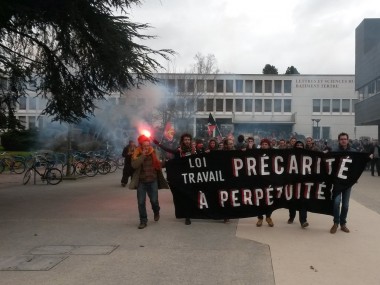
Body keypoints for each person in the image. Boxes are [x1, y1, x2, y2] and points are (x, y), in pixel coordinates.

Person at [153, 133, 196, 225]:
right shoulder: (179, 151)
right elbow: (168, 150)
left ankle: (191, 213)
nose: (187, 141)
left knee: (191, 196)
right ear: (182, 141)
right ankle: (187, 216)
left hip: (192, 177)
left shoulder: (194, 150)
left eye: (188, 139)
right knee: (184, 196)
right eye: (185, 139)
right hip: (181, 177)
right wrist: (158, 143)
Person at [129, 135, 169, 229]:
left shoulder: (154, 152)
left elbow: (159, 164)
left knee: (154, 201)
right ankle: (143, 221)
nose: (147, 147)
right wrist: (142, 155)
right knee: (141, 202)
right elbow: (134, 165)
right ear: (141, 146)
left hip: (153, 181)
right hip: (141, 182)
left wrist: (167, 163)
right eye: (144, 145)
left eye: (148, 145)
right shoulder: (136, 154)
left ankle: (156, 211)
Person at [330, 132, 356, 234]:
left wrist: (368, 157)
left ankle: (343, 223)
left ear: (348, 140)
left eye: (345, 139)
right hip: (337, 182)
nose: (343, 140)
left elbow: (358, 164)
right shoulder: (334, 151)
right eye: (341, 139)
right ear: (339, 140)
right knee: (336, 203)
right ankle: (336, 222)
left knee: (345, 205)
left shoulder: (353, 152)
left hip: (347, 183)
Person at [288, 140, 309, 228]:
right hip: (293, 182)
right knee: (292, 201)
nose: (299, 146)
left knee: (303, 201)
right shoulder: (290, 155)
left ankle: (303, 221)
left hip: (304, 182)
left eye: (301, 145)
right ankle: (292, 217)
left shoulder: (308, 156)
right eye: (298, 145)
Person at [256, 138, 274, 227]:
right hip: (259, 180)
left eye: (266, 144)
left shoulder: (274, 153)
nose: (264, 145)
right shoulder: (256, 153)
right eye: (263, 144)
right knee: (259, 199)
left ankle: (268, 217)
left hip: (269, 181)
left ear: (269, 145)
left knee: (269, 200)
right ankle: (260, 218)